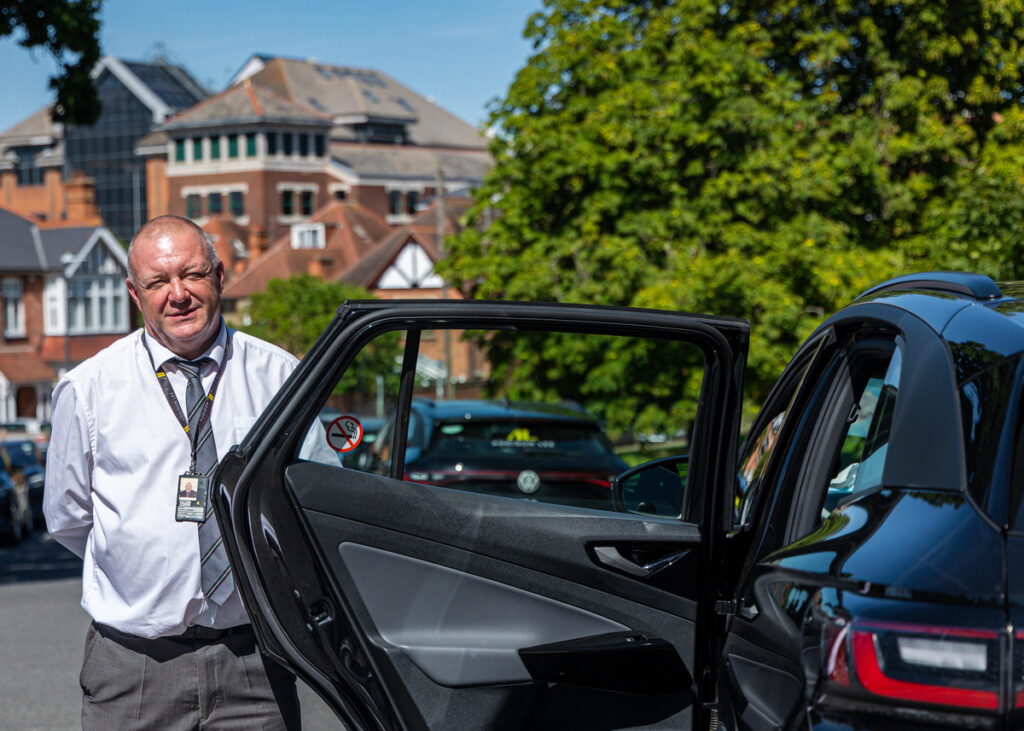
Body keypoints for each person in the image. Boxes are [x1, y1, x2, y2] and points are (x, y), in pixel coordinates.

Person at [44, 215, 302, 730]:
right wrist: (144, 572)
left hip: (255, 665)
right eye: (158, 282)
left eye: (193, 274)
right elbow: (68, 519)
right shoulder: (89, 388)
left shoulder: (281, 376)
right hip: (134, 669)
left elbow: (312, 503)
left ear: (220, 276)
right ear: (135, 294)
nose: (178, 294)